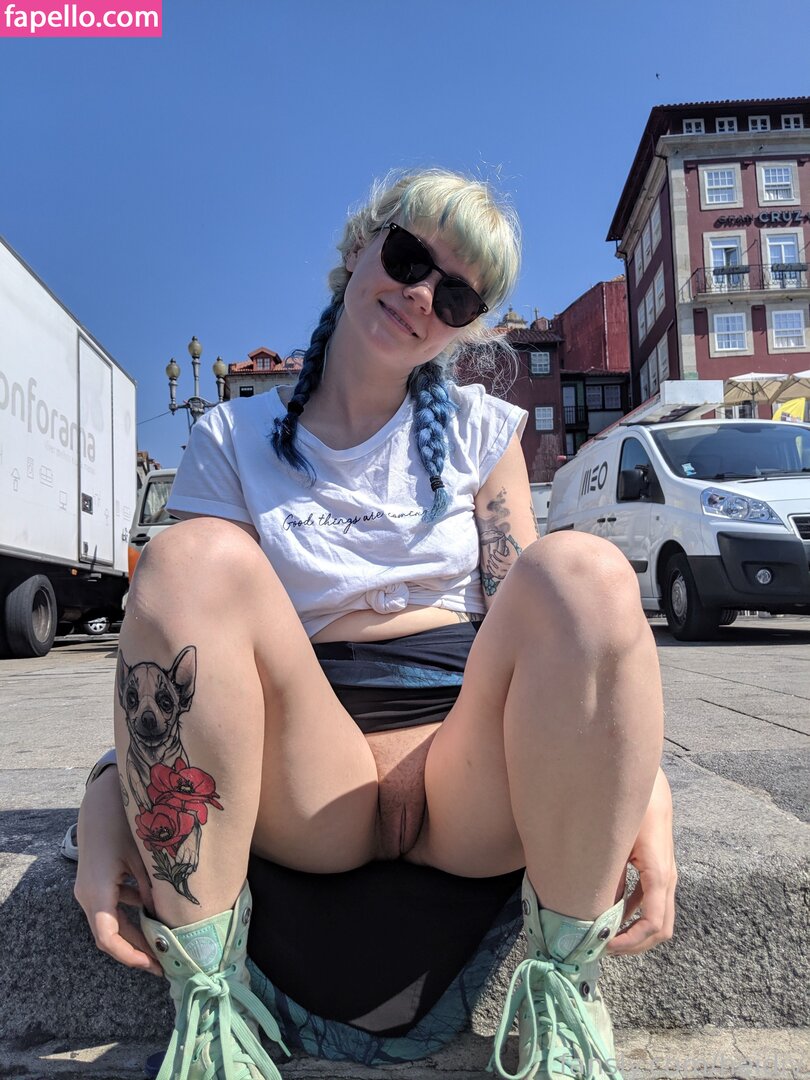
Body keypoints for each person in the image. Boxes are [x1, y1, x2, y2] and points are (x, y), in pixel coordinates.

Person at [74, 169, 676, 1080]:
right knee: (187, 559)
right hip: (307, 773)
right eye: (407, 257)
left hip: (468, 765)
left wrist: (638, 783)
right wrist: (111, 788)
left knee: (583, 571)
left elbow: (548, 627)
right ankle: (209, 1018)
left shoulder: (483, 432)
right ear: (360, 247)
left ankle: (564, 1003)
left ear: (467, 327)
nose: (423, 295)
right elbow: (180, 644)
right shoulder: (233, 438)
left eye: (457, 295)